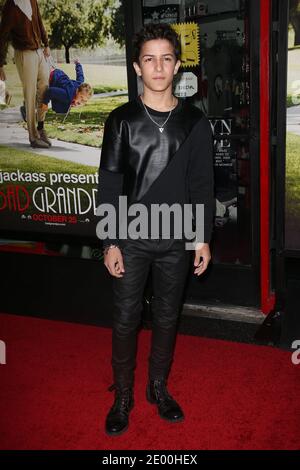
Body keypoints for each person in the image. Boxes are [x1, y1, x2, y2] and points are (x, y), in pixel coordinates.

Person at [97, 23, 214, 437]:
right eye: (150, 59)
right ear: (136, 67)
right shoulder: (121, 120)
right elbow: (109, 184)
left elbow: (202, 185)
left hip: (176, 237)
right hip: (130, 238)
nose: (158, 66)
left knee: (167, 317)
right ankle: (123, 394)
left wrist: (201, 238)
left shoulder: (195, 123)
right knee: (126, 319)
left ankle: (158, 387)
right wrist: (110, 241)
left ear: (178, 65)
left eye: (166, 58)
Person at [0, 0, 51, 148]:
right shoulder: (11, 6)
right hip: (24, 54)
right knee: (29, 94)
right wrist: (0, 64)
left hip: (38, 51)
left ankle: (40, 127)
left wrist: (46, 44)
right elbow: (2, 36)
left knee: (45, 88)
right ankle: (33, 137)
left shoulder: (32, 0)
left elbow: (39, 21)